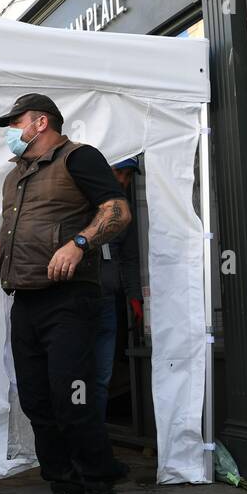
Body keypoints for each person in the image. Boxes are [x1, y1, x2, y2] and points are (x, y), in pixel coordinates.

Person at [0, 94, 132, 494]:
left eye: (15, 122)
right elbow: (9, 234)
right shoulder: (15, 177)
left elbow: (117, 210)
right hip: (26, 300)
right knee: (37, 403)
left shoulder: (80, 159)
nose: (10, 131)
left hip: (71, 301)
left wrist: (78, 243)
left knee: (73, 401)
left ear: (41, 123)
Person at [93, 157, 144, 421]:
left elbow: (130, 258)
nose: (124, 181)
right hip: (78, 303)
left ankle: (97, 438)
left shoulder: (125, 214)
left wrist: (135, 297)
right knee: (78, 374)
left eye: (128, 176)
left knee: (102, 375)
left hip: (108, 302)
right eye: (119, 173)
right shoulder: (83, 204)